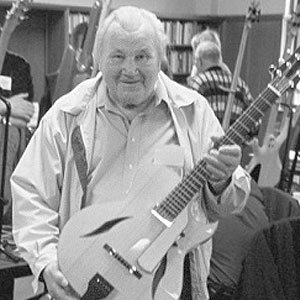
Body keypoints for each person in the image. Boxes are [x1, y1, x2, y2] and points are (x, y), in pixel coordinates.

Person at [11, 6, 251, 300]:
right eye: (118, 56)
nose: (130, 70)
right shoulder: (67, 115)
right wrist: (46, 262)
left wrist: (222, 181)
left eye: (142, 56)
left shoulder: (194, 112)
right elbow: (31, 194)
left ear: (161, 58)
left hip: (170, 284)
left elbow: (226, 205)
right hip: (88, 278)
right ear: (99, 59)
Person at [0, 50, 34, 224]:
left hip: (12, 138)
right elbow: (14, 110)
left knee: (10, 131)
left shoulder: (17, 66)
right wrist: (6, 107)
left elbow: (25, 113)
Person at [187, 40, 253, 128]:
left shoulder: (197, 83)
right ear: (219, 60)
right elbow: (254, 123)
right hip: (235, 141)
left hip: (206, 140)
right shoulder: (240, 85)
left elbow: (187, 119)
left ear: (199, 61)